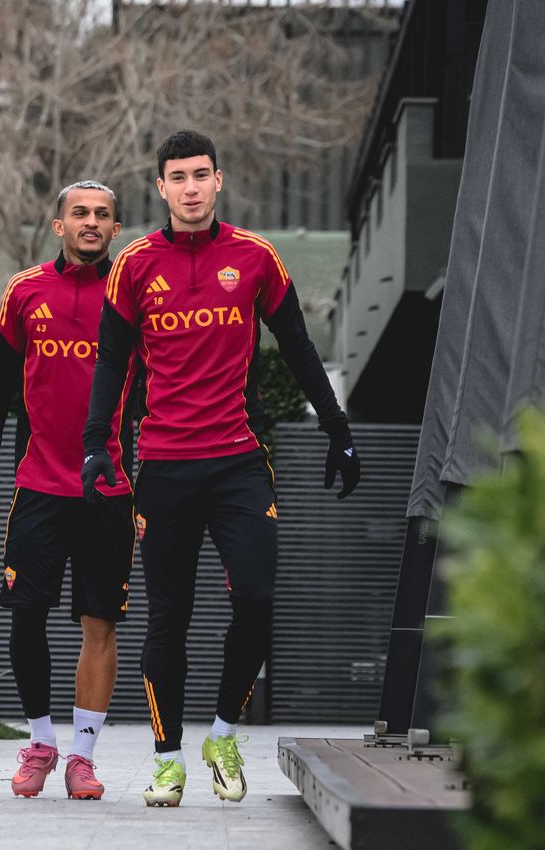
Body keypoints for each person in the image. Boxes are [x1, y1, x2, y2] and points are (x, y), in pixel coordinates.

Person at [82, 130, 361, 807]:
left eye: (200, 174)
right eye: (177, 176)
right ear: (160, 187)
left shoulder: (255, 258)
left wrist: (337, 431)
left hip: (238, 463)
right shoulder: (134, 266)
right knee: (167, 618)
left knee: (258, 602)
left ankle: (222, 733)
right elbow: (112, 364)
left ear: (218, 180)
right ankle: (167, 758)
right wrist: (97, 444)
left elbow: (296, 345)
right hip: (166, 468)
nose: (190, 187)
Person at [0, 181, 134, 800]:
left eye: (103, 216)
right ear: (58, 225)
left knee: (100, 624)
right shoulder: (24, 290)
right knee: (25, 616)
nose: (91, 223)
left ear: (116, 228)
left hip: (110, 488)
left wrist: (143, 486)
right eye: (80, 214)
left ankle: (82, 758)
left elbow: (149, 397)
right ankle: (40, 741)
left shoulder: (131, 292)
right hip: (38, 484)